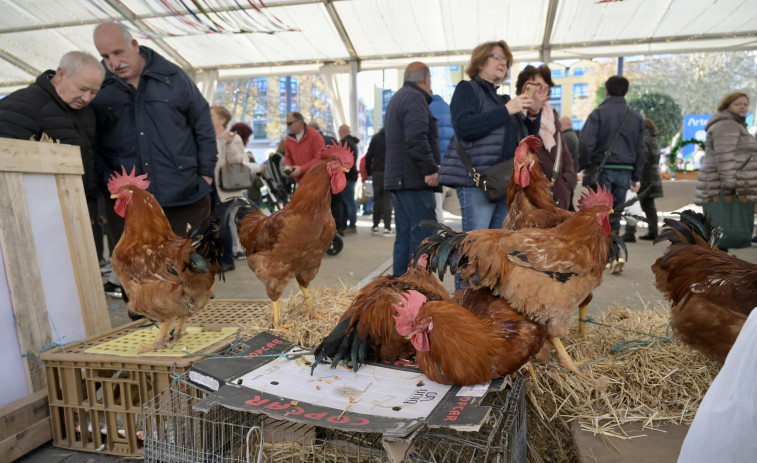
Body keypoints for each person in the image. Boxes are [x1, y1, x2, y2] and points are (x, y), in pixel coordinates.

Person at [92, 22, 217, 299]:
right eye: (105, 57)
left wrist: (205, 173)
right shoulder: (99, 86)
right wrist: (106, 184)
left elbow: (203, 125)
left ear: (135, 45)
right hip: (130, 207)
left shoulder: (173, 77)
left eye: (118, 52)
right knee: (138, 279)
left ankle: (194, 333)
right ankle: (145, 336)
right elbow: (93, 140)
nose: (113, 62)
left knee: (191, 272)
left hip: (185, 197)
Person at [0, 50, 106, 267]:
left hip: (80, 214)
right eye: (82, 89)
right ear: (60, 74)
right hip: (39, 220)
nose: (87, 98)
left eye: (94, 92)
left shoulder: (87, 112)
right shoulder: (23, 105)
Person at [438, 40, 535, 233]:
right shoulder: (467, 89)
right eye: (497, 57)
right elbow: (465, 126)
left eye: (506, 60)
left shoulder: (502, 100)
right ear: (480, 62)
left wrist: (533, 114)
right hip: (478, 182)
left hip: (503, 182)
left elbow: (525, 138)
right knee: (476, 249)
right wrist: (507, 110)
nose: (503, 63)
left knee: (495, 249)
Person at [579, 75, 645, 274]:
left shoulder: (599, 113)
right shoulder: (635, 117)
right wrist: (637, 175)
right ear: (625, 92)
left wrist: (583, 165)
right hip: (625, 170)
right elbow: (642, 150)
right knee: (615, 214)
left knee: (599, 213)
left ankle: (604, 256)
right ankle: (615, 253)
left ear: (607, 91)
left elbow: (585, 142)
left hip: (602, 168)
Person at [384, 61, 441, 277]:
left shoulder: (399, 97)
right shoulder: (415, 98)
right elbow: (417, 137)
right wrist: (430, 169)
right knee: (424, 234)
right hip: (414, 179)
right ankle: (417, 287)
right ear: (426, 79)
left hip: (401, 180)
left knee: (406, 235)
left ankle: (401, 287)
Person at [694, 91, 757, 250]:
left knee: (721, 225)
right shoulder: (727, 124)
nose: (742, 107)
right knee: (722, 224)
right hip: (722, 185)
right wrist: (730, 183)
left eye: (745, 104)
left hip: (723, 182)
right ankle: (715, 264)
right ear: (727, 105)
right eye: (737, 104)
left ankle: (719, 262)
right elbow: (725, 155)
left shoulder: (734, 124)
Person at [515, 65, 577, 210]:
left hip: (558, 192)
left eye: (545, 86)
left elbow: (564, 153)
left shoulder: (552, 116)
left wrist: (567, 180)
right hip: (531, 196)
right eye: (537, 85)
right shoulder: (516, 115)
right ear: (525, 88)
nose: (542, 89)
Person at [210, 106, 251, 272]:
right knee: (212, 224)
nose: (207, 117)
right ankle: (215, 258)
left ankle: (228, 260)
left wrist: (227, 144)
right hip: (209, 186)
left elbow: (236, 160)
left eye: (211, 115)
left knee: (222, 223)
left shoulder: (233, 137)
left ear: (222, 120)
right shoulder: (206, 136)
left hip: (226, 189)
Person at [623, 118, 664, 241]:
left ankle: (630, 233)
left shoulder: (642, 139)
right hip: (653, 176)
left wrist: (635, 174)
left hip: (643, 177)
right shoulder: (653, 139)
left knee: (633, 204)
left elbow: (642, 158)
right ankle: (653, 231)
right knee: (649, 205)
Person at [429, 94, 454, 221]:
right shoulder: (449, 109)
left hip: (434, 165)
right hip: (448, 165)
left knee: (435, 206)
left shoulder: (427, 109)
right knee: (439, 203)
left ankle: (440, 236)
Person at [365, 127, 393, 235]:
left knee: (377, 200)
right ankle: (387, 228)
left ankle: (375, 226)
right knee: (388, 200)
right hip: (390, 173)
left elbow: (368, 156)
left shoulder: (375, 138)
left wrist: (369, 171)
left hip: (376, 173)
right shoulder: (393, 137)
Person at [284, 111, 325, 184]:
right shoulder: (289, 139)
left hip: (316, 181)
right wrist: (288, 168)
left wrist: (301, 169)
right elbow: (288, 157)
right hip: (299, 182)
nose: (288, 127)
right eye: (287, 124)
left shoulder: (315, 136)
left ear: (299, 122)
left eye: (289, 124)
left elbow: (320, 158)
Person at [338, 124, 360, 234]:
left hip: (346, 177)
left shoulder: (344, 143)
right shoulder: (353, 143)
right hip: (351, 176)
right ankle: (345, 225)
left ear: (341, 131)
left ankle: (351, 226)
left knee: (348, 202)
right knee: (347, 202)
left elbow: (344, 162)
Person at [560, 115, 581, 211]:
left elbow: (561, 157)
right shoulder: (573, 136)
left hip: (567, 178)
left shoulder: (566, 138)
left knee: (567, 207)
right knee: (569, 206)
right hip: (571, 177)